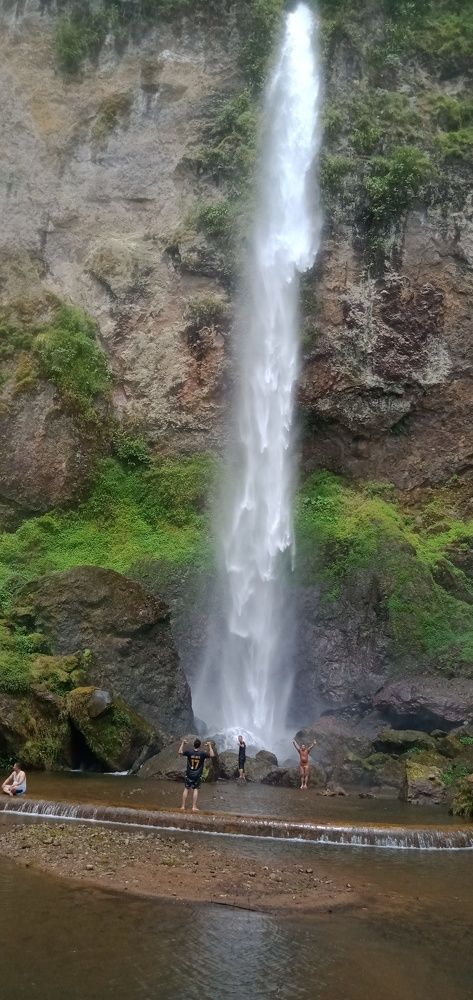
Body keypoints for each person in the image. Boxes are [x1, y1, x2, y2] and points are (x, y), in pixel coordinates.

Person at [178, 738, 215, 812]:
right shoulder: (202, 753)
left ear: (193, 745)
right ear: (200, 746)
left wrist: (182, 743)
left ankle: (182, 806)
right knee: (195, 789)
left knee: (186, 789)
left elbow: (180, 752)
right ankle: (193, 807)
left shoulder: (189, 752)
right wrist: (210, 746)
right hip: (197, 775)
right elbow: (212, 755)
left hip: (189, 774)